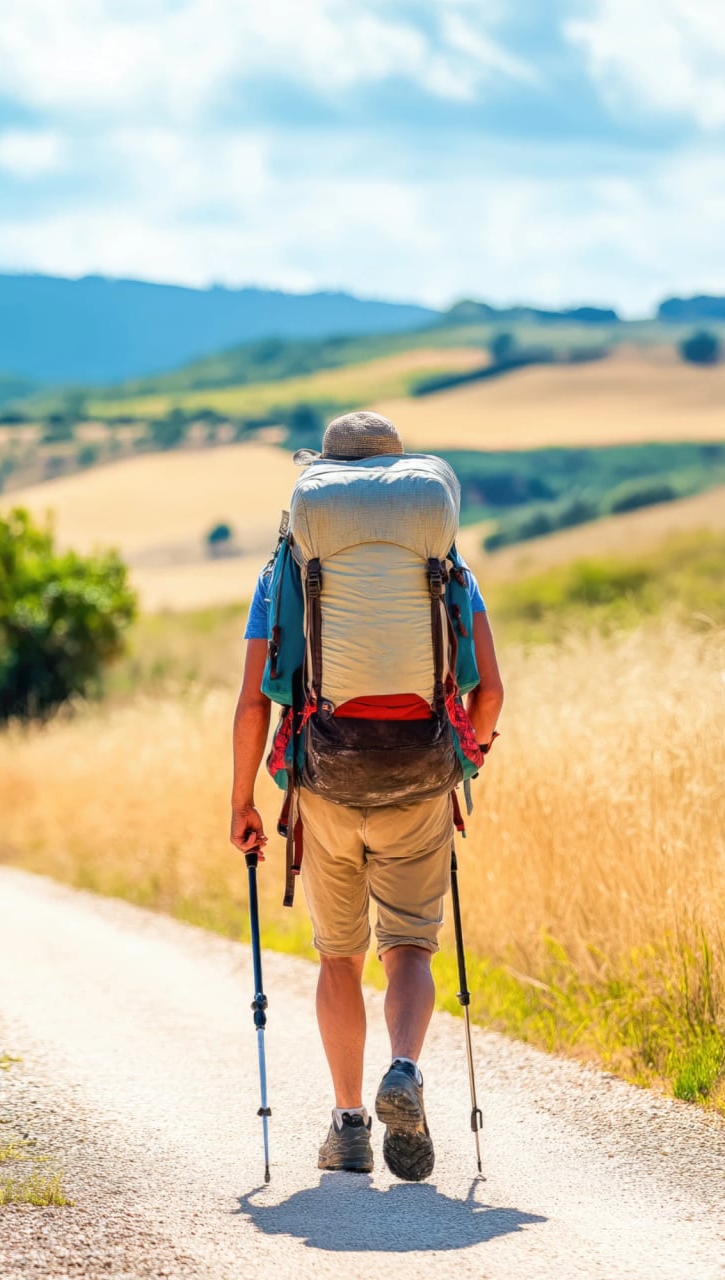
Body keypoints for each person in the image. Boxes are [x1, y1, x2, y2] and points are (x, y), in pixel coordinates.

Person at [228, 411, 505, 1181]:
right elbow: (491, 693)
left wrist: (242, 802)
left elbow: (255, 701)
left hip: (323, 779)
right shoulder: (443, 561)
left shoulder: (288, 563)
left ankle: (348, 1126)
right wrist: (467, 760)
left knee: (339, 956)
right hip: (420, 777)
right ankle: (405, 1070)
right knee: (410, 944)